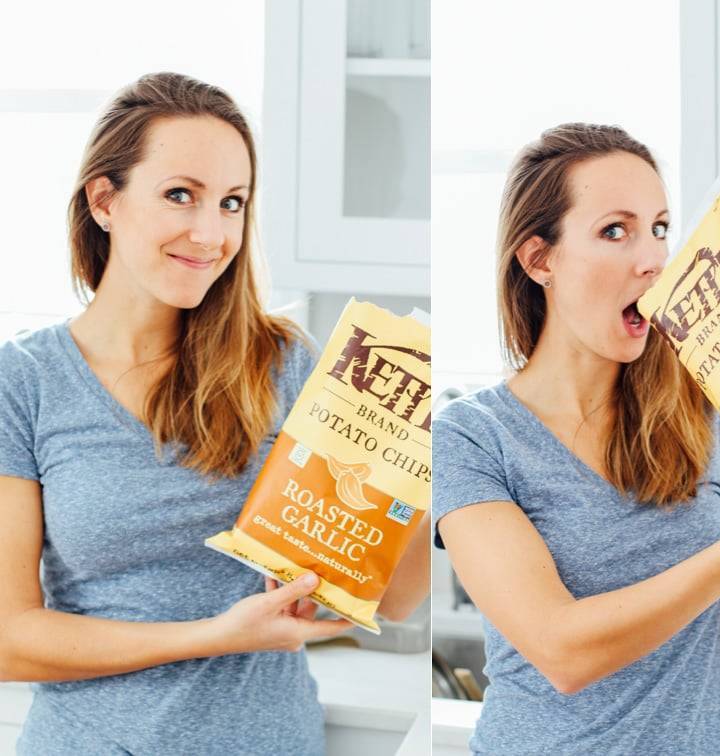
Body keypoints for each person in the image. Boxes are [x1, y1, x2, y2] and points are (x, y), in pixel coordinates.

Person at [0, 72, 429, 754]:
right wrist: (215, 636)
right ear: (104, 200)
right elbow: (10, 640)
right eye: (181, 195)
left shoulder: (283, 361)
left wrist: (417, 469)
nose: (211, 233)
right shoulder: (23, 381)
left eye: (232, 203)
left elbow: (394, 598)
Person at [433, 123, 720, 755]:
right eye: (616, 231)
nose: (654, 259)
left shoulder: (708, 410)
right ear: (539, 259)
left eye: (660, 229)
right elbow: (563, 652)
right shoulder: (471, 439)